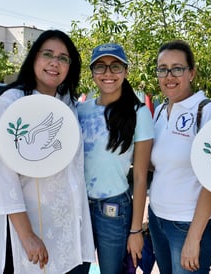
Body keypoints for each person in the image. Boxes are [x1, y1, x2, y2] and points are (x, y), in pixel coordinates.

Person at [0, 30, 95, 273]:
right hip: (32, 230)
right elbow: (3, 179)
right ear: (34, 58)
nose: (55, 62)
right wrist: (27, 235)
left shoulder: (68, 104)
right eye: (48, 54)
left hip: (71, 228)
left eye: (63, 58)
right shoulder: (10, 105)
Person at [77, 43, 154, 274]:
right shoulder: (81, 111)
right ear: (92, 72)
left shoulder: (138, 112)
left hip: (114, 209)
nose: (108, 73)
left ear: (126, 71)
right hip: (78, 207)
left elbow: (140, 177)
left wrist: (135, 230)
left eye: (115, 66)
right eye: (100, 67)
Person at [148, 40, 211, 273]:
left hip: (187, 225)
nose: (169, 76)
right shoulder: (159, 111)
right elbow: (157, 164)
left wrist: (193, 239)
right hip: (157, 219)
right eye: (163, 69)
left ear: (191, 72)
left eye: (177, 68)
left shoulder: (207, 110)